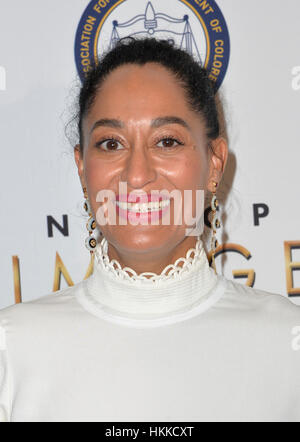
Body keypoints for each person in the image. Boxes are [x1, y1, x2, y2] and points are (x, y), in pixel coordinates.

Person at [0, 38, 299, 423]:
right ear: (81, 167)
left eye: (167, 141)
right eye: (111, 143)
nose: (137, 175)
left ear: (214, 163)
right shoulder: (12, 348)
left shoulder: (285, 342)